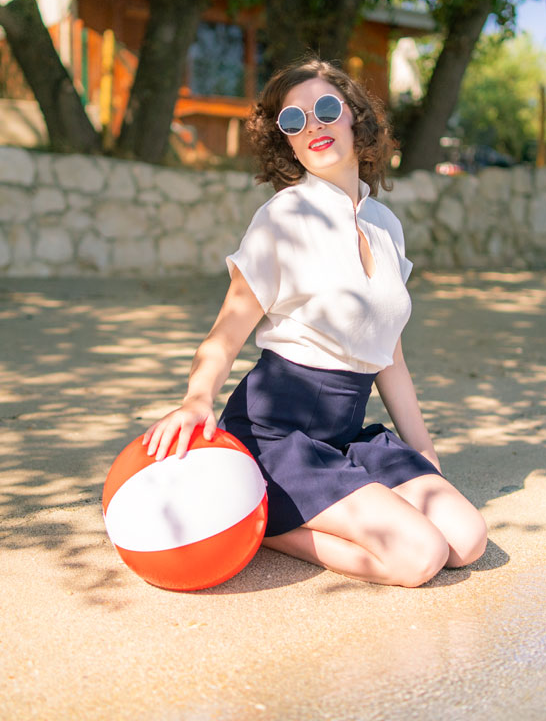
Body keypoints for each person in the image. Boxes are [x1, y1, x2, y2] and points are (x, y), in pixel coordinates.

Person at [143, 58, 488, 587]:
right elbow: (227, 331)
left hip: (347, 433)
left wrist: (423, 454)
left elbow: (387, 350)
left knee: (467, 541)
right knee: (419, 556)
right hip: (277, 434)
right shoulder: (283, 217)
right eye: (293, 121)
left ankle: (310, 508)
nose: (313, 126)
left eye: (326, 109)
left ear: (356, 119)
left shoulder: (384, 225)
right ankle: (254, 521)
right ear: (287, 142)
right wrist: (196, 399)